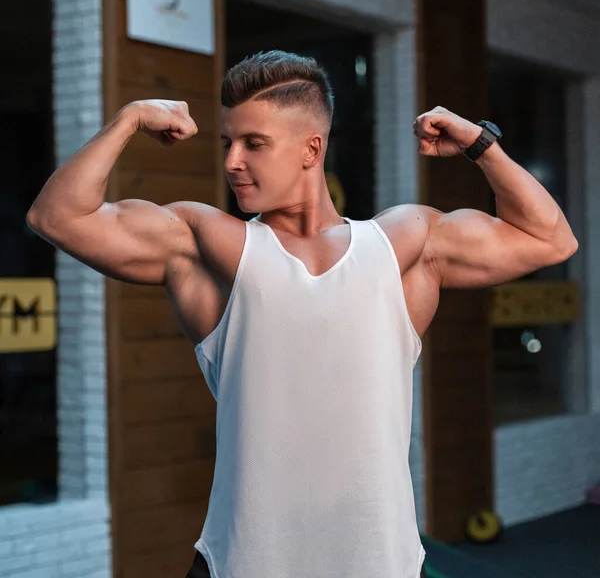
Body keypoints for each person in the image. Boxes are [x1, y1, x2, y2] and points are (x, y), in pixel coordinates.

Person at [27, 51, 578, 578]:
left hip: (377, 563)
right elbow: (57, 216)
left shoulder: (402, 244)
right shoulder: (209, 244)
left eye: (254, 143)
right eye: (227, 142)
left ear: (311, 150)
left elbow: (549, 240)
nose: (231, 162)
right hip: (245, 563)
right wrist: (127, 121)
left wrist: (481, 144)